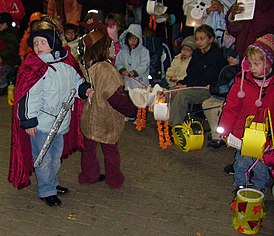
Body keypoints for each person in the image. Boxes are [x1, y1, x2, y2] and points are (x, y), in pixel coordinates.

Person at [9, 26, 94, 207]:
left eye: (43, 42)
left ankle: (52, 184)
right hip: (41, 124)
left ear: (53, 44)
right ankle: (46, 190)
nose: (38, 46)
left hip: (61, 123)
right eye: (35, 43)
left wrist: (84, 89)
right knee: (43, 159)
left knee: (55, 157)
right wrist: (28, 121)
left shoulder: (66, 65)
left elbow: (76, 82)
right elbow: (28, 96)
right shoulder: (36, 68)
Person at [78, 27, 136, 189]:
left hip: (90, 116)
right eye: (110, 45)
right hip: (106, 118)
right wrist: (132, 110)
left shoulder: (85, 65)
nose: (112, 48)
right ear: (102, 49)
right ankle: (114, 179)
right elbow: (115, 97)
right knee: (110, 149)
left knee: (88, 149)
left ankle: (88, 175)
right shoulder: (107, 70)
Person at [217, 34, 274, 194]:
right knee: (242, 162)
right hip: (243, 133)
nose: (252, 67)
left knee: (262, 166)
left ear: (269, 63)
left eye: (257, 63)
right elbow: (231, 108)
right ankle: (240, 187)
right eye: (250, 63)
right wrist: (225, 129)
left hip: (266, 138)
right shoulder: (241, 83)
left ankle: (258, 191)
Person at [169, 24, 227, 127]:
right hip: (194, 85)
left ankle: (174, 126)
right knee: (172, 91)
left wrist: (187, 86)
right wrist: (181, 83)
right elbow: (190, 73)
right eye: (197, 39)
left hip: (207, 88)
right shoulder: (196, 53)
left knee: (182, 95)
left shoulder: (217, 56)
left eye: (202, 39)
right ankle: (166, 122)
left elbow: (207, 78)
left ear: (211, 39)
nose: (199, 42)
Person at [202, 48, 239, 148]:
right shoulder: (226, 67)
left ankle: (218, 137)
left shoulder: (237, 72)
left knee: (214, 109)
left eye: (233, 56)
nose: (230, 58)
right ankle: (214, 131)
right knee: (206, 104)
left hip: (227, 98)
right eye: (228, 56)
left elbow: (225, 89)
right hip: (219, 95)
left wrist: (212, 88)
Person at [115, 23, 150, 90]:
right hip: (127, 85)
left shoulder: (144, 51)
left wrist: (135, 72)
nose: (133, 41)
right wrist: (122, 70)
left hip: (141, 84)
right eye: (131, 39)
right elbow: (118, 63)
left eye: (136, 39)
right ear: (127, 39)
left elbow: (144, 65)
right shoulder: (122, 52)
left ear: (139, 40)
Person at [0, 12, 21, 94]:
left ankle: (3, 86)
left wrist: (1, 56)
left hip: (9, 62)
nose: (0, 25)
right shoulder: (2, 34)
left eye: (2, 23)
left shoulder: (12, 34)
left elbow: (12, 50)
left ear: (7, 24)